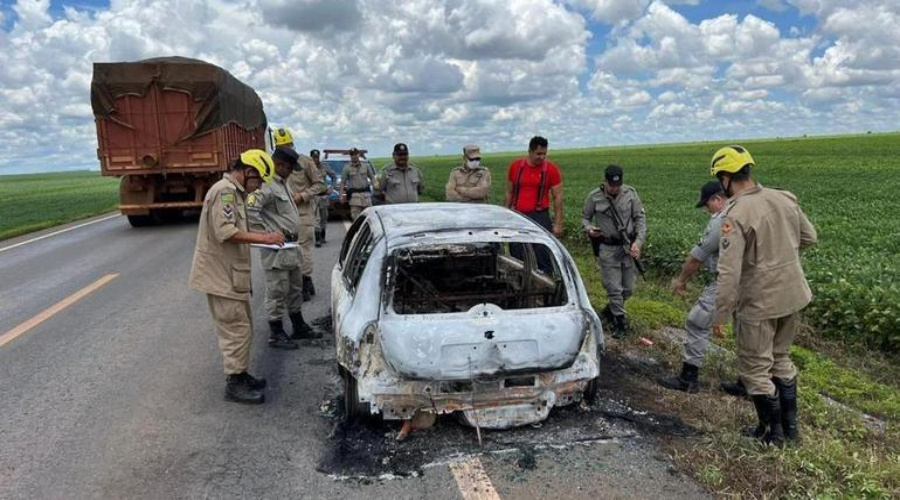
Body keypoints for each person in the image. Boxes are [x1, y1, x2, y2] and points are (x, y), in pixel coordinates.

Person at [710, 145, 817, 445]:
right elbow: (809, 237)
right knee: (781, 358)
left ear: (726, 178)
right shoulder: (783, 197)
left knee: (755, 367)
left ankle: (774, 434)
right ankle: (790, 432)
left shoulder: (735, 213)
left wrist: (720, 315)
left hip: (759, 301)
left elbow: (729, 273)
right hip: (792, 294)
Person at [188, 149, 286, 405]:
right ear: (249, 171)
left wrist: (269, 236)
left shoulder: (234, 193)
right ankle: (235, 382)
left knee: (243, 326)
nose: (259, 187)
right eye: (258, 180)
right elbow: (226, 231)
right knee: (236, 329)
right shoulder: (225, 191)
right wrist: (265, 238)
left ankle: (240, 374)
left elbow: (242, 228)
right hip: (221, 276)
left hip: (230, 275)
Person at [247, 147, 320, 348]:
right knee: (277, 291)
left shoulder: (283, 183)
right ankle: (276, 332)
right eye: (289, 167)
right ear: (279, 164)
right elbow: (251, 210)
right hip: (276, 248)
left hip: (291, 245)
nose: (292, 171)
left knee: (295, 288)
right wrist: (265, 234)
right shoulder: (267, 185)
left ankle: (298, 325)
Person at [658, 181, 727, 393]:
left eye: (707, 205)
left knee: (697, 322)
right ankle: (749, 383)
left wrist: (681, 281)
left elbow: (697, 257)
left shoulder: (722, 219)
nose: (707, 211)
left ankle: (689, 378)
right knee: (749, 330)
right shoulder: (748, 212)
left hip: (729, 280)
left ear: (717, 199)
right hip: (758, 281)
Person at [581, 165, 646, 339]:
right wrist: (589, 229)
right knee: (614, 288)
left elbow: (640, 218)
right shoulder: (595, 197)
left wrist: (638, 243)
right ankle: (620, 323)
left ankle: (609, 311)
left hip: (627, 247)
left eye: (618, 185)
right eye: (611, 185)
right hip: (607, 248)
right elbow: (585, 217)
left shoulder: (631, 194)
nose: (615, 189)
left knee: (629, 288)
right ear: (605, 181)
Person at [274, 127, 325, 301]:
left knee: (303, 249)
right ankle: (291, 285)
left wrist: (303, 195)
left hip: (303, 214)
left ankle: (305, 281)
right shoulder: (274, 164)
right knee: (286, 251)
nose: (284, 149)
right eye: (281, 147)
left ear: (292, 144)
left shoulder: (304, 162)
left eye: (287, 145)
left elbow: (319, 184)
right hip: (282, 217)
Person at [505, 136, 563, 237]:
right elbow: (510, 192)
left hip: (540, 215)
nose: (542, 157)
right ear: (530, 151)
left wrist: (558, 223)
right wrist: (506, 214)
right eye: (539, 154)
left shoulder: (551, 169)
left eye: (544, 154)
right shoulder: (515, 166)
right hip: (518, 215)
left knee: (540, 250)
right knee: (517, 248)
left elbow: (558, 197)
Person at [339, 148, 375, 220]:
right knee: (356, 219)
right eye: (352, 155)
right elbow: (343, 182)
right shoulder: (347, 167)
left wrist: (376, 188)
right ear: (350, 156)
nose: (354, 156)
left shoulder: (366, 165)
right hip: (354, 197)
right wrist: (341, 195)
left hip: (366, 196)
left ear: (358, 154)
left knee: (370, 218)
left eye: (356, 154)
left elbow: (372, 178)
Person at [310, 149, 337, 246]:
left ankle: (322, 236)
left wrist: (332, 188)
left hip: (324, 195)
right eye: (314, 157)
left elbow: (334, 177)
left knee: (324, 217)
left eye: (317, 157)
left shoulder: (324, 166)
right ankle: (317, 239)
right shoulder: (308, 167)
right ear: (311, 158)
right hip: (313, 197)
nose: (315, 159)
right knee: (316, 218)